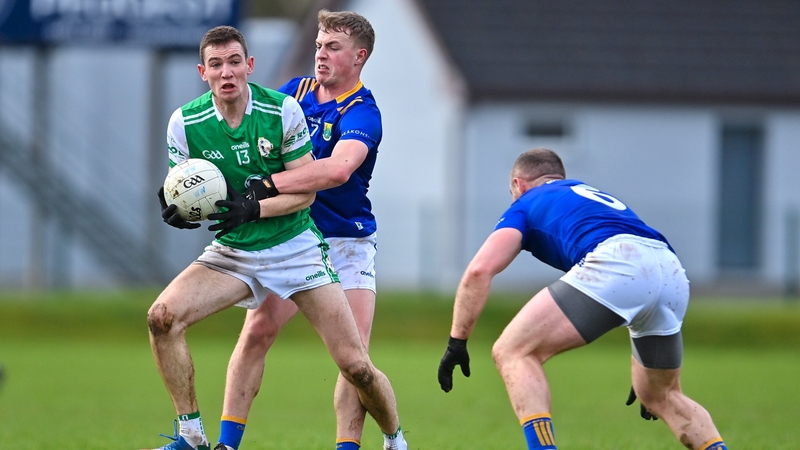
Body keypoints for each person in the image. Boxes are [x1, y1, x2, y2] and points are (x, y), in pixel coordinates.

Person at [146, 25, 404, 450]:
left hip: (337, 241)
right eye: (318, 45)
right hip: (250, 242)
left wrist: (257, 195)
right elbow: (211, 167)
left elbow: (336, 172)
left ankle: (388, 442)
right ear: (203, 71)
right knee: (230, 329)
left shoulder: (360, 111)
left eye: (332, 47)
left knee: (354, 364)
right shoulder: (293, 95)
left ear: (359, 57)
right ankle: (206, 441)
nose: (319, 54)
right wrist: (179, 195)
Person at [437, 148, 728, 450]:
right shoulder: (585, 194)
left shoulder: (525, 203)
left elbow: (479, 271)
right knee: (661, 394)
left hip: (620, 262)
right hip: (670, 271)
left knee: (513, 351)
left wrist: (457, 341)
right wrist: (647, 364)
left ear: (518, 184)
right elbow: (644, 278)